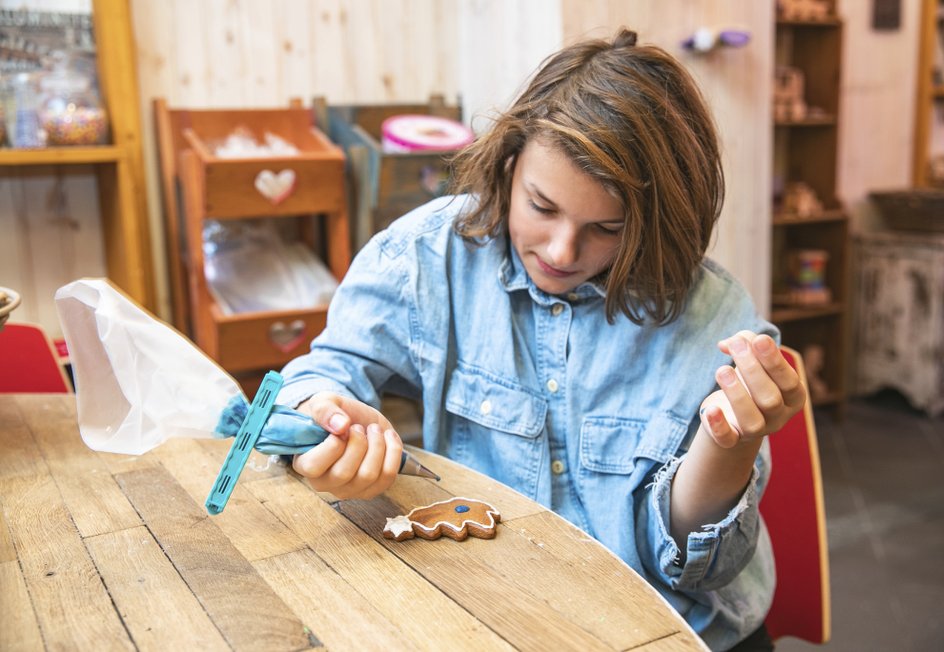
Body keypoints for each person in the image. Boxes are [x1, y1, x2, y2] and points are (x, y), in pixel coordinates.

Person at [278, 28, 805, 652]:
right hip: (499, 622)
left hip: (677, 630)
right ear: (507, 162)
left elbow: (700, 566)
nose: (560, 251)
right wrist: (323, 416)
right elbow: (320, 374)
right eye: (542, 206)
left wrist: (729, 445)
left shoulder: (712, 317)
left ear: (656, 220)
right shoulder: (426, 256)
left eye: (607, 228)